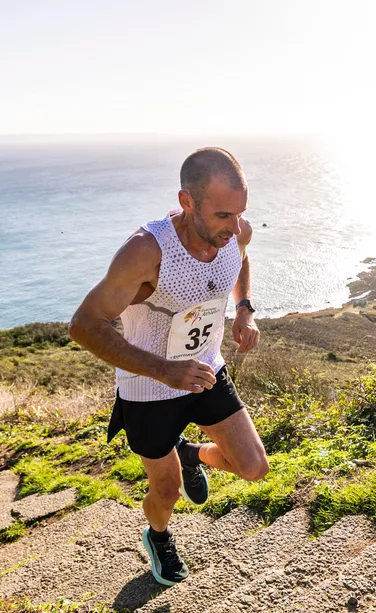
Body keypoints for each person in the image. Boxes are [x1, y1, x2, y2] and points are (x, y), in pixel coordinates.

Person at [69, 147, 268, 587]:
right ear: (186, 202)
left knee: (254, 467)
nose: (234, 227)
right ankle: (157, 536)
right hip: (149, 389)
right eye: (222, 215)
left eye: (240, 214)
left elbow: (240, 258)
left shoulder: (235, 231)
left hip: (205, 371)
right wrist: (165, 370)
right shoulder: (146, 251)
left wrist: (245, 310)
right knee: (167, 492)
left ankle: (190, 452)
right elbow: (84, 325)